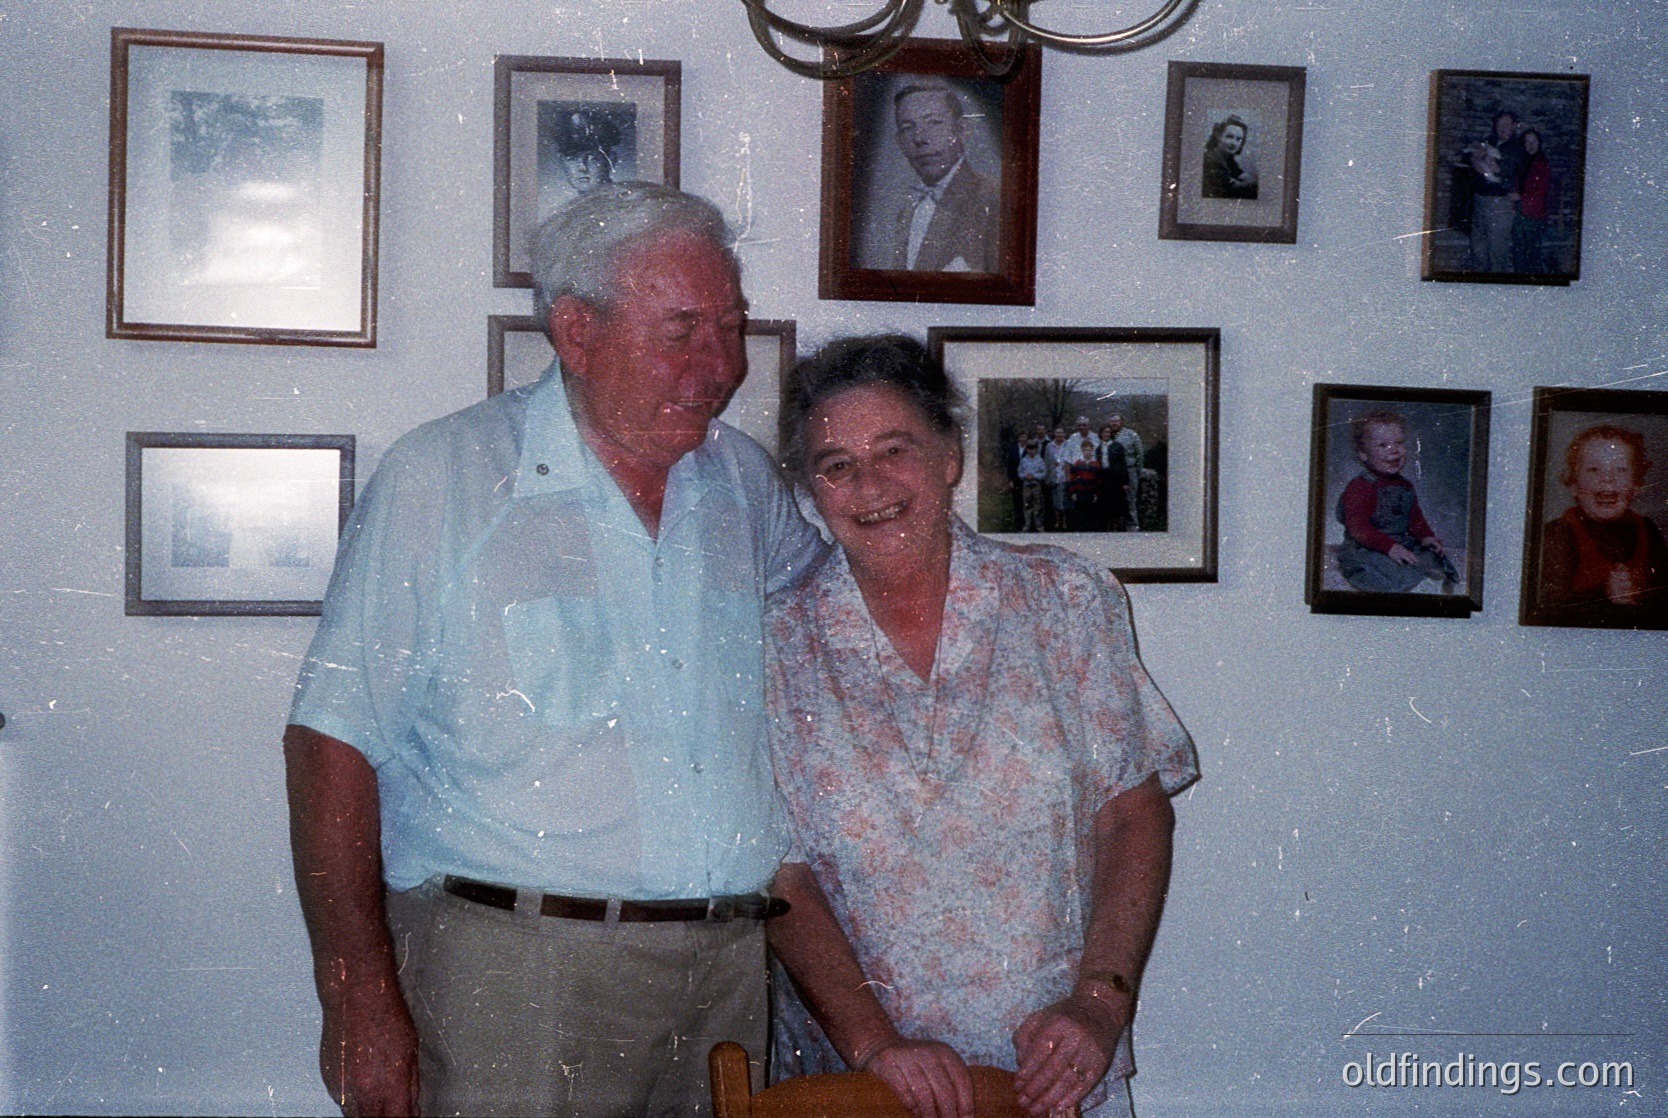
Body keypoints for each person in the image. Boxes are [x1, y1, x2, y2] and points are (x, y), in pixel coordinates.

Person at [282, 183, 825, 1117]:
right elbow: (329, 741)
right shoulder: (444, 477)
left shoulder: (743, 483)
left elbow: (841, 631)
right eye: (683, 330)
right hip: (514, 978)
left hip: (732, 974)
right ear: (575, 331)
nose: (720, 366)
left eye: (731, 328)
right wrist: (356, 994)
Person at [763, 336, 1198, 1118]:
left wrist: (1101, 1003)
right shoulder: (777, 644)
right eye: (835, 465)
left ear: (951, 457)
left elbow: (1133, 812)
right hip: (857, 1081)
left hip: (1055, 1067)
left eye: (895, 450)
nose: (869, 485)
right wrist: (876, 1045)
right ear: (810, 490)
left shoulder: (1063, 599)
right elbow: (782, 877)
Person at [1539, 424, 1668, 624]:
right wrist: (1603, 595)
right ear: (1573, 484)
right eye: (1593, 469)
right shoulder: (1558, 534)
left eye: (1620, 469)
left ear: (1636, 486)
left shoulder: (1648, 531)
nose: (1607, 479)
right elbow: (1546, 608)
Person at [1334, 411, 1457, 593]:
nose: (1394, 450)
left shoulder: (1405, 486)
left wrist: (1426, 536)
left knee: (1431, 556)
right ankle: (1399, 584)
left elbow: (1415, 519)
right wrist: (1389, 548)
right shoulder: (1360, 487)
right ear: (1363, 455)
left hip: (1400, 542)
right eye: (1383, 445)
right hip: (1367, 547)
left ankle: (1428, 578)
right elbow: (1358, 528)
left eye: (1398, 443)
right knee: (1379, 568)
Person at [889, 82, 1001, 273]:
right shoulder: (911, 204)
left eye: (934, 123)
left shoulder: (995, 197)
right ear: (899, 141)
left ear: (962, 130)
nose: (920, 138)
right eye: (908, 127)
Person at [1463, 110, 1526, 273]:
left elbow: (1500, 169)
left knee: (1497, 250)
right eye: (1499, 124)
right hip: (1479, 200)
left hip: (1500, 204)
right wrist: (1479, 159)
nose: (1502, 127)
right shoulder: (1490, 141)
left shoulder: (1517, 147)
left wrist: (1481, 160)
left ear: (1514, 126)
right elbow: (1471, 160)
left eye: (1507, 124)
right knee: (1478, 247)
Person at [1512, 128, 1552, 274]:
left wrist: (1522, 198)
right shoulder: (1521, 161)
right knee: (1519, 249)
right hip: (1519, 211)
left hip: (1534, 213)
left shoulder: (1543, 163)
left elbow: (1542, 191)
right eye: (1527, 141)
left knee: (1532, 251)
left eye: (1534, 141)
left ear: (1539, 143)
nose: (1531, 144)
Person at [557, 109, 620, 195]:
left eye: (592, 159)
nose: (582, 168)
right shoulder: (572, 207)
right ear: (562, 163)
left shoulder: (628, 203)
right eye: (571, 159)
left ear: (611, 160)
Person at [1201, 115, 1257, 200]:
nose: (1234, 143)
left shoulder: (1228, 158)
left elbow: (1239, 173)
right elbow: (1235, 188)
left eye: (1238, 139)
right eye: (1229, 137)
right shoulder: (1211, 160)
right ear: (1218, 135)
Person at [1106, 415, 1143, 532]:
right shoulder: (1107, 435)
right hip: (1112, 474)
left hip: (1129, 470)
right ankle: (1118, 527)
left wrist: (1138, 471)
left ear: (1122, 422)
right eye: (1112, 421)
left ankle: (1132, 526)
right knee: (1115, 500)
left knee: (1130, 499)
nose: (1114, 423)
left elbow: (1139, 454)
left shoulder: (1131, 435)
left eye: (1116, 421)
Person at [1096, 426, 1130, 532]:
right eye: (1103, 432)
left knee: (1116, 503)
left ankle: (1117, 527)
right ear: (1100, 434)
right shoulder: (1099, 448)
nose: (1106, 434)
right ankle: (1106, 527)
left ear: (1111, 434)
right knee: (1105, 503)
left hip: (1115, 478)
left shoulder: (1117, 446)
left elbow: (1122, 464)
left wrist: (1125, 481)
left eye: (1108, 432)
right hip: (1104, 477)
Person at [1017, 439, 1048, 532]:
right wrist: (1025, 476)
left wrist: (1034, 476)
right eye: (1029, 449)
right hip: (1026, 486)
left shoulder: (1040, 460)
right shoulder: (1023, 460)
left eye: (1033, 448)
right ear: (1027, 449)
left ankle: (1039, 526)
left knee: (1037, 506)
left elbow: (1044, 473)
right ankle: (1027, 525)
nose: (1031, 451)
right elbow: (1019, 472)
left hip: (1036, 485)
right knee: (1026, 506)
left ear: (1036, 449)